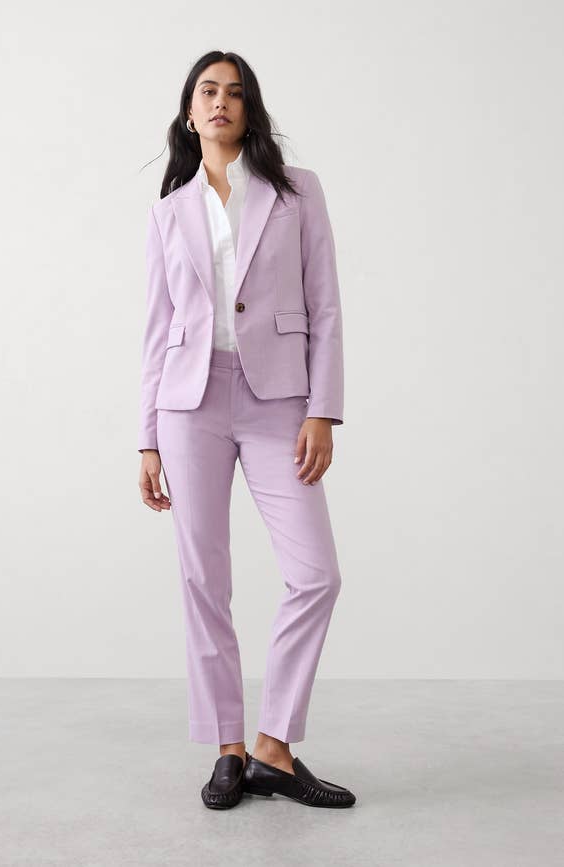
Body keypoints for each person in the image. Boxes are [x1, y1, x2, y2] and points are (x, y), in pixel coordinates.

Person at [137, 50, 356, 810]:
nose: (221, 102)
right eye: (208, 91)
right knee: (204, 577)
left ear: (249, 109)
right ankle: (228, 747)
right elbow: (157, 328)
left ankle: (274, 746)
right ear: (190, 111)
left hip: (278, 400)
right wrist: (146, 439)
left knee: (316, 574)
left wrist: (323, 408)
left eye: (234, 92)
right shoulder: (169, 211)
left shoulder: (297, 192)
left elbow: (325, 304)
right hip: (188, 403)